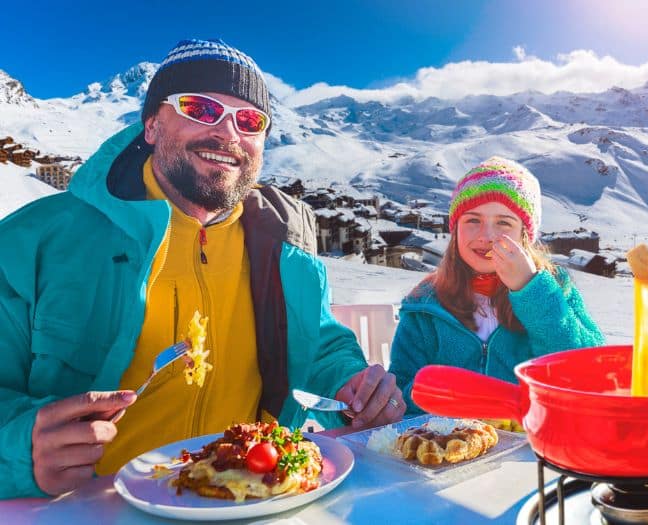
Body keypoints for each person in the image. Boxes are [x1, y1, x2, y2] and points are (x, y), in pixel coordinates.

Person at [0, 39, 405, 499]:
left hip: (246, 495)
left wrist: (350, 387)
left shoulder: (285, 243)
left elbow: (317, 346)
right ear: (151, 125)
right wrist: (17, 448)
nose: (229, 135)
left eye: (249, 121)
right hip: (86, 508)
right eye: (201, 108)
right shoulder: (36, 240)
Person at [389, 157, 604, 414]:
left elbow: (587, 374)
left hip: (533, 444)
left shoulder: (554, 289)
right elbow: (400, 393)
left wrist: (531, 290)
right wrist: (455, 400)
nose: (486, 236)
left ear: (524, 235)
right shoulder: (425, 304)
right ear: (455, 229)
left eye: (503, 222)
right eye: (472, 220)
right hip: (453, 444)